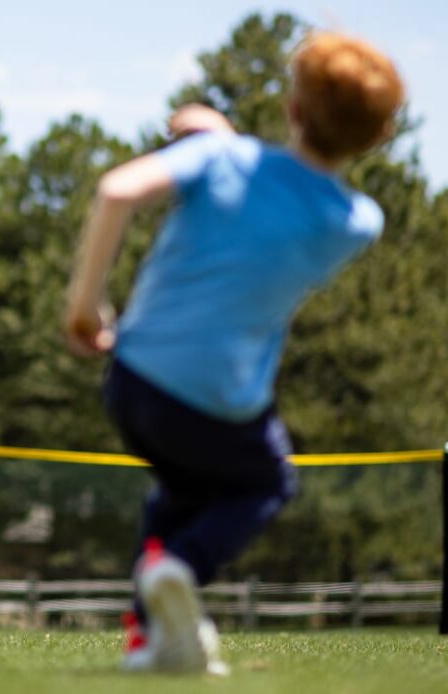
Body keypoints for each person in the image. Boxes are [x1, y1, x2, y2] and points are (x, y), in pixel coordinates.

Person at [62, 32, 404, 673]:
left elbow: (116, 192)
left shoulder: (219, 158)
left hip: (132, 381)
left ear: (292, 109)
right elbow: (270, 191)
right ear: (376, 138)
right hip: (219, 400)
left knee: (178, 493)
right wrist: (219, 142)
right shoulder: (356, 223)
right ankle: (180, 570)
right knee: (265, 483)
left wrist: (84, 309)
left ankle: (152, 638)